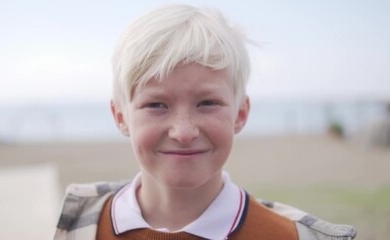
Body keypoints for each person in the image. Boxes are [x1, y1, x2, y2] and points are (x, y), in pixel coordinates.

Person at [54, 4, 356, 240]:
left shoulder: (289, 236)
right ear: (121, 117)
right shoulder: (80, 228)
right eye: (156, 104)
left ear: (240, 114)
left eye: (208, 103)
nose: (183, 132)